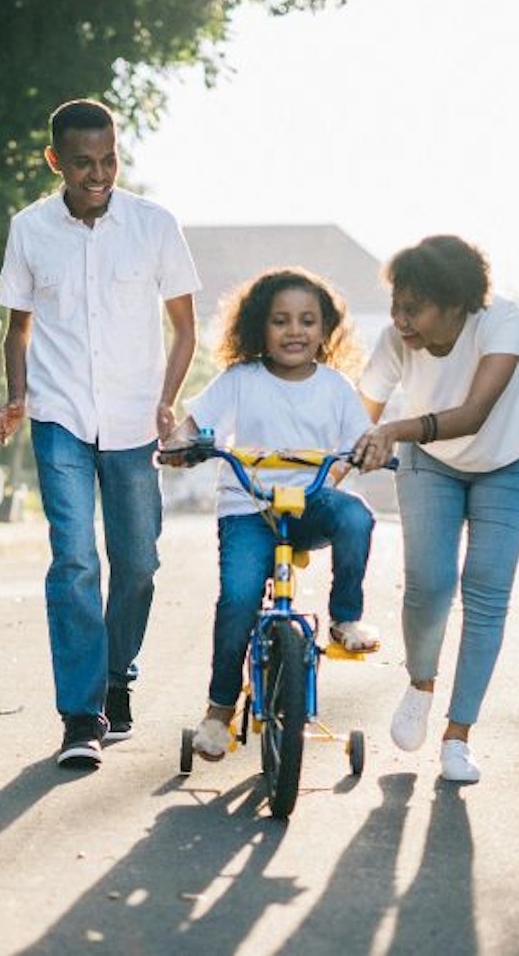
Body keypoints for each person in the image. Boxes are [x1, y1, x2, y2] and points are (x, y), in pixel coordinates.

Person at [0, 98, 200, 769]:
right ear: (56, 161)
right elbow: (18, 327)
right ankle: (81, 715)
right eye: (83, 163)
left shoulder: (154, 225)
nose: (98, 174)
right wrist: (18, 396)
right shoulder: (29, 229)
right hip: (59, 417)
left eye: (108, 159)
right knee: (76, 559)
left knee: (137, 564)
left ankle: (117, 677)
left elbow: (185, 327)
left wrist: (168, 401)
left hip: (135, 419)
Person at [161, 267, 379, 761]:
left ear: (325, 330)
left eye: (307, 320)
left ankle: (346, 618)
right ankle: (218, 711)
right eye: (281, 320)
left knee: (356, 517)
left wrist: (369, 454)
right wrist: (179, 445)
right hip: (248, 508)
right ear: (260, 327)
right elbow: (194, 425)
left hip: (309, 504)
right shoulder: (241, 380)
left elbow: (358, 443)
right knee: (238, 598)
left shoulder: (337, 387)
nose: (294, 330)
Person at [352, 234, 519, 784]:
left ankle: (458, 737)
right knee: (429, 583)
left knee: (485, 590)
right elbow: (356, 418)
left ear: (456, 303)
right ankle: (420, 684)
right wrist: (330, 469)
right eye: (396, 305)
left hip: (509, 460)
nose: (400, 319)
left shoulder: (500, 322)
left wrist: (394, 429)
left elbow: (475, 413)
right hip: (431, 464)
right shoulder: (397, 340)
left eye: (413, 308)